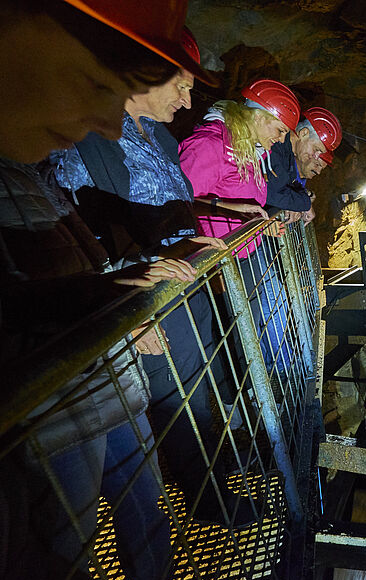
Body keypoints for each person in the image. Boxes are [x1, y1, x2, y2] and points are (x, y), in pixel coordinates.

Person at [0, 1, 226, 580]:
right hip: (53, 405)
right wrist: (99, 295)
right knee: (59, 547)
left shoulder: (31, 171)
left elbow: (77, 248)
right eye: (96, 83)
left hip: (102, 377)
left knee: (141, 496)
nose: (108, 121)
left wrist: (105, 296)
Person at [52, 27, 266, 527]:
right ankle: (207, 501)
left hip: (182, 283)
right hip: (143, 296)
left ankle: (219, 474)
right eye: (183, 84)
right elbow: (82, 229)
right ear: (143, 73)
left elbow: (166, 207)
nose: (189, 98)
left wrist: (197, 236)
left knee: (202, 381)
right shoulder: (91, 137)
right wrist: (124, 314)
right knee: (173, 398)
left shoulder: (163, 137)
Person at [179, 79, 300, 378]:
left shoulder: (249, 150)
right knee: (222, 336)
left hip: (237, 258)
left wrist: (259, 226)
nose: (282, 140)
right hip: (210, 263)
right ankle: (232, 397)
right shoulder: (211, 143)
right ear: (259, 117)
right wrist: (231, 210)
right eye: (280, 130)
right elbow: (177, 203)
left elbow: (241, 201)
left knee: (242, 332)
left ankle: (244, 390)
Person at [264, 106, 342, 226]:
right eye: (316, 149)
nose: (316, 157)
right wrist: (304, 203)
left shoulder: (287, 154)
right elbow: (271, 192)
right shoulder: (277, 145)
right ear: (304, 133)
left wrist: (298, 201)